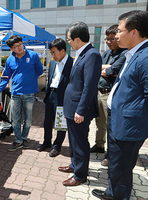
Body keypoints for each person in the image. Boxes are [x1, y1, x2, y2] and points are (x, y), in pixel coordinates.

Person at [92, 10, 148, 200]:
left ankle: (119, 196)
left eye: (120, 31)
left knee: (121, 165)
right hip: (119, 119)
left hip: (129, 123)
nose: (116, 35)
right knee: (115, 163)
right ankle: (112, 193)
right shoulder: (133, 54)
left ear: (133, 32)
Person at [58, 21, 102, 186]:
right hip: (72, 106)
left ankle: (80, 175)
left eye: (69, 39)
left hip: (79, 109)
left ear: (77, 39)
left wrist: (81, 110)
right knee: (73, 139)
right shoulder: (81, 53)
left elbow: (90, 86)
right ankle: (74, 165)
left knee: (80, 142)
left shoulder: (92, 55)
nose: (68, 42)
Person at [0, 35, 43, 151]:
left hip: (29, 93)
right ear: (11, 49)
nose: (19, 48)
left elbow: (40, 70)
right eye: (15, 46)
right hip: (15, 94)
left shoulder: (33, 56)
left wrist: (30, 79)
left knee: (28, 119)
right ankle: (18, 140)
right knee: (15, 118)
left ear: (22, 43)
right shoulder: (10, 60)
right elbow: (5, 77)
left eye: (20, 44)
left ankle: (24, 138)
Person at [90, 25, 128, 163]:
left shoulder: (124, 53)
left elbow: (114, 70)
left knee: (111, 125)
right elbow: (99, 68)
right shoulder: (106, 53)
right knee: (99, 123)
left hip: (111, 94)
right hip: (99, 93)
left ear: (117, 38)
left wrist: (109, 70)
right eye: (107, 39)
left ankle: (110, 154)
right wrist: (108, 69)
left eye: (112, 38)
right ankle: (99, 145)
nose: (109, 41)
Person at [36, 38, 73, 157]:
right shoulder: (52, 62)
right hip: (51, 94)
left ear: (62, 51)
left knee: (60, 123)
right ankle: (47, 142)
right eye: (51, 52)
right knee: (47, 121)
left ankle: (57, 146)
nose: (52, 55)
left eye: (54, 52)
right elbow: (50, 79)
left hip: (63, 96)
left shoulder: (72, 63)